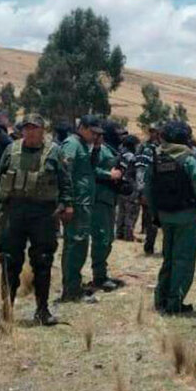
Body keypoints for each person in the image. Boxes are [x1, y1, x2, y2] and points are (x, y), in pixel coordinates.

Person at [0, 114, 73, 325]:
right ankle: (7, 309)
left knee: (43, 261)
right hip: (13, 213)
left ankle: (42, 310)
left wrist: (68, 204)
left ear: (43, 130)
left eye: (35, 128)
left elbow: (65, 181)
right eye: (27, 128)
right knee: (9, 261)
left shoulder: (54, 152)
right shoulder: (11, 150)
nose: (31, 132)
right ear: (22, 130)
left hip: (43, 214)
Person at [145, 120, 196, 315]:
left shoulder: (156, 158)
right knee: (183, 260)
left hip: (165, 216)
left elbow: (148, 189)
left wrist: (155, 214)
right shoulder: (188, 159)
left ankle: (161, 298)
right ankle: (175, 303)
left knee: (169, 258)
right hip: (185, 216)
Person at [60, 115, 117, 302]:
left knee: (80, 244)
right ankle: (71, 289)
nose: (95, 136)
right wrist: (67, 203)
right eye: (92, 132)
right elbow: (65, 174)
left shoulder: (84, 145)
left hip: (84, 203)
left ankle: (73, 287)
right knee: (75, 246)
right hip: (76, 203)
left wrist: (97, 147)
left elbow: (89, 168)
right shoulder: (72, 144)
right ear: (82, 127)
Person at [89, 121, 127, 292]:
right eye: (117, 133)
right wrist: (109, 175)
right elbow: (89, 169)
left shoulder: (113, 150)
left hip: (109, 198)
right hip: (98, 200)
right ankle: (99, 276)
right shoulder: (99, 150)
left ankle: (101, 274)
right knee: (101, 239)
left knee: (108, 239)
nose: (121, 137)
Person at [136, 124, 162, 254]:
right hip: (149, 188)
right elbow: (141, 169)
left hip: (160, 187)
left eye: (156, 132)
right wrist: (142, 189)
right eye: (152, 132)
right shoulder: (146, 148)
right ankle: (149, 245)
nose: (154, 134)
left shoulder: (161, 147)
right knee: (151, 219)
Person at [115, 134, 141, 241]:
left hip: (121, 186)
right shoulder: (132, 158)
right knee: (131, 211)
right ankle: (128, 235)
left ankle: (119, 233)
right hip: (131, 186)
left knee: (121, 211)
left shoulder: (119, 155)